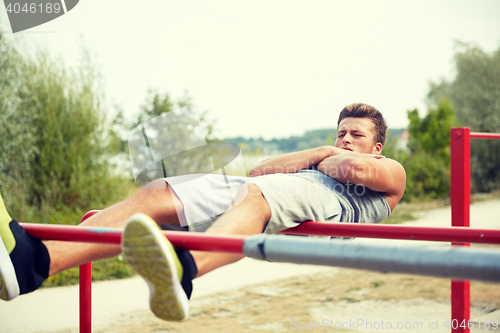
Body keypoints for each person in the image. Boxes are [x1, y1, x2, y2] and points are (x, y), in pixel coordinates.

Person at [0, 103, 406, 321]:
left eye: (357, 135)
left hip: (328, 205)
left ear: (378, 146)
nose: (346, 140)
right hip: (268, 187)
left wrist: (325, 157)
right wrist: (320, 151)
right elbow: (260, 171)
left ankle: (183, 271)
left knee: (255, 200)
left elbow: (353, 170)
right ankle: (31, 263)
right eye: (341, 133)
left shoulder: (392, 172)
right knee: (159, 193)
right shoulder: (323, 155)